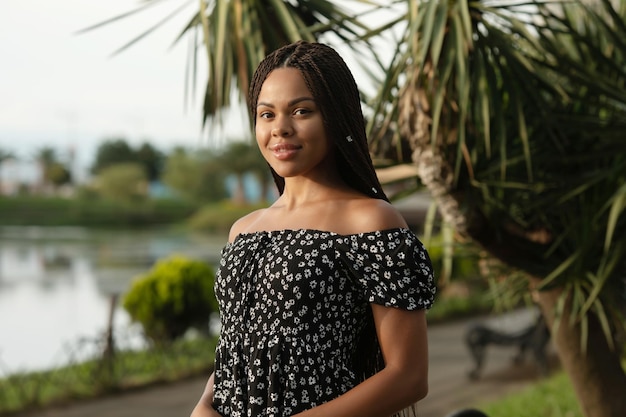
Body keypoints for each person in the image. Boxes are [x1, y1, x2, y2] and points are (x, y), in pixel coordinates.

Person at [190, 40, 436, 417]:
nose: (280, 129)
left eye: (301, 111)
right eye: (266, 115)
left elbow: (408, 376)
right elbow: (239, 349)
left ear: (336, 117)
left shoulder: (370, 222)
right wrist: (204, 406)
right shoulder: (243, 230)